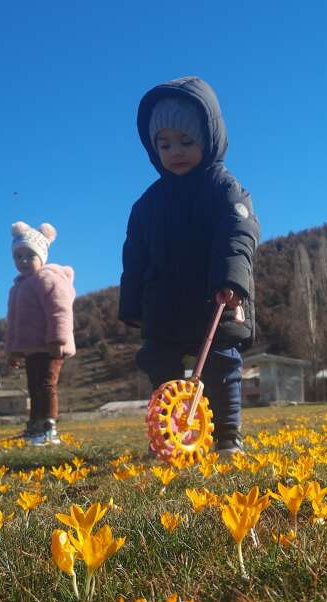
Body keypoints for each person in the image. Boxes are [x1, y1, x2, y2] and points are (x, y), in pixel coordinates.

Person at [119, 76, 260, 456]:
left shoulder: (224, 189)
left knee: (220, 367)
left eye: (186, 141)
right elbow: (134, 256)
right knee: (160, 368)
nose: (175, 151)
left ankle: (227, 437)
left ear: (209, 138)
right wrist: (132, 305)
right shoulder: (147, 204)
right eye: (164, 144)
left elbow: (239, 234)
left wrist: (232, 281)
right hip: (163, 306)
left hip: (216, 300)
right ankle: (168, 437)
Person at [6, 221, 76, 445]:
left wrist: (58, 339)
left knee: (46, 385)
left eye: (30, 256)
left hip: (49, 346)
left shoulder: (48, 279)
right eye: (19, 256)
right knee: (34, 386)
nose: (23, 261)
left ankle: (48, 427)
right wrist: (13, 351)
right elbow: (13, 323)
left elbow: (60, 310)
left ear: (41, 256)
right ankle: (35, 426)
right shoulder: (17, 287)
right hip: (30, 349)